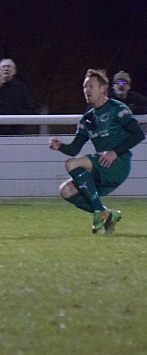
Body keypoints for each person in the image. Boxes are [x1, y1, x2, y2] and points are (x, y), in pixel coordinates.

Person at [49, 69, 145, 234]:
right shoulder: (88, 118)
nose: (86, 90)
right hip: (102, 167)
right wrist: (61, 146)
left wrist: (114, 152)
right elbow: (74, 149)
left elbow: (138, 134)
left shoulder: (116, 108)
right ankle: (106, 214)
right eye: (84, 86)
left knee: (72, 164)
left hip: (117, 164)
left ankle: (100, 213)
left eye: (91, 86)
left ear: (103, 88)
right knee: (66, 190)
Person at [0, 58, 34, 134]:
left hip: (16, 130)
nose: (6, 69)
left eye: (9, 67)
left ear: (15, 71)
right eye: (3, 67)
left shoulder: (21, 88)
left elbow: (29, 109)